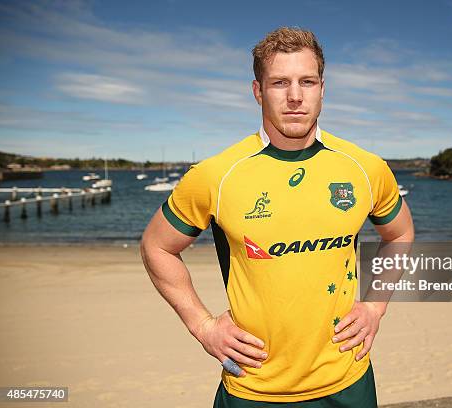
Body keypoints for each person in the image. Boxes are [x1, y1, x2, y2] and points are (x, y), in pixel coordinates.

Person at [141, 26, 415, 407]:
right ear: (257, 91)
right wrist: (203, 326)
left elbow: (400, 235)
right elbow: (156, 246)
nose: (295, 97)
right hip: (253, 387)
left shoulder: (365, 168)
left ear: (323, 88)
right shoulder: (217, 175)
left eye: (307, 81)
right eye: (279, 83)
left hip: (348, 380)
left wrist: (374, 306)